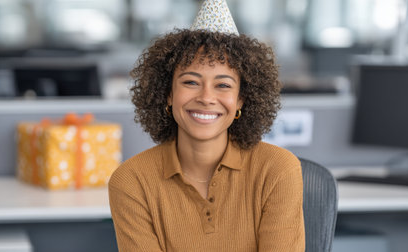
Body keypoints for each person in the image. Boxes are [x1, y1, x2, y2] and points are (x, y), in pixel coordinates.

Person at [108, 1, 305, 251]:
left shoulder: (277, 170)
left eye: (223, 85)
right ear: (168, 93)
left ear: (241, 99)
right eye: (191, 82)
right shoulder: (132, 181)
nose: (206, 97)